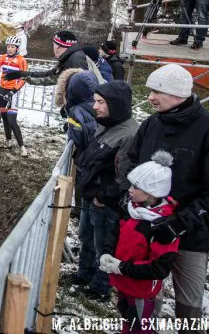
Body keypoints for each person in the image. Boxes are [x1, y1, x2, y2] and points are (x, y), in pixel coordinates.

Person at [122, 63, 209, 329]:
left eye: (157, 91)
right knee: (146, 295)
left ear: (178, 94)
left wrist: (179, 224)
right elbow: (131, 161)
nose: (150, 96)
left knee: (188, 306)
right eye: (151, 89)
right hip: (146, 229)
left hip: (191, 237)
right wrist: (129, 194)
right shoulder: (152, 123)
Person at [72, 80, 139, 300]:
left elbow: (125, 177)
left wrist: (103, 197)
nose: (95, 107)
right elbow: (92, 156)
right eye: (95, 101)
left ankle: (101, 287)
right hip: (92, 194)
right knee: (86, 237)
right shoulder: (104, 123)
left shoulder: (129, 135)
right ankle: (84, 273)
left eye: (100, 102)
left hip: (106, 202)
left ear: (115, 104)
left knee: (103, 245)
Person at [99, 151, 180, 333]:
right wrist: (107, 251)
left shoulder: (162, 226)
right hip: (124, 282)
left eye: (136, 187)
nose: (130, 190)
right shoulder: (132, 208)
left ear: (152, 193)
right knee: (127, 318)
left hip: (142, 291)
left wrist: (122, 267)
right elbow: (116, 232)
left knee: (140, 327)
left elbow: (159, 268)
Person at [0, 36, 29, 156]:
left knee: (12, 120)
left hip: (13, 91)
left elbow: (23, 79)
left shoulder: (21, 60)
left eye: (12, 47)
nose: (10, 49)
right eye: (8, 46)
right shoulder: (4, 57)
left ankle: (22, 146)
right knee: (4, 117)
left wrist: (14, 91)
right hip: (2, 90)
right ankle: (8, 141)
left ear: (17, 48)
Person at [4, 30, 89, 86]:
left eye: (54, 45)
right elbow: (51, 75)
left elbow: (85, 87)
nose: (53, 48)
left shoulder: (76, 60)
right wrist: (23, 74)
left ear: (58, 47)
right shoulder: (69, 57)